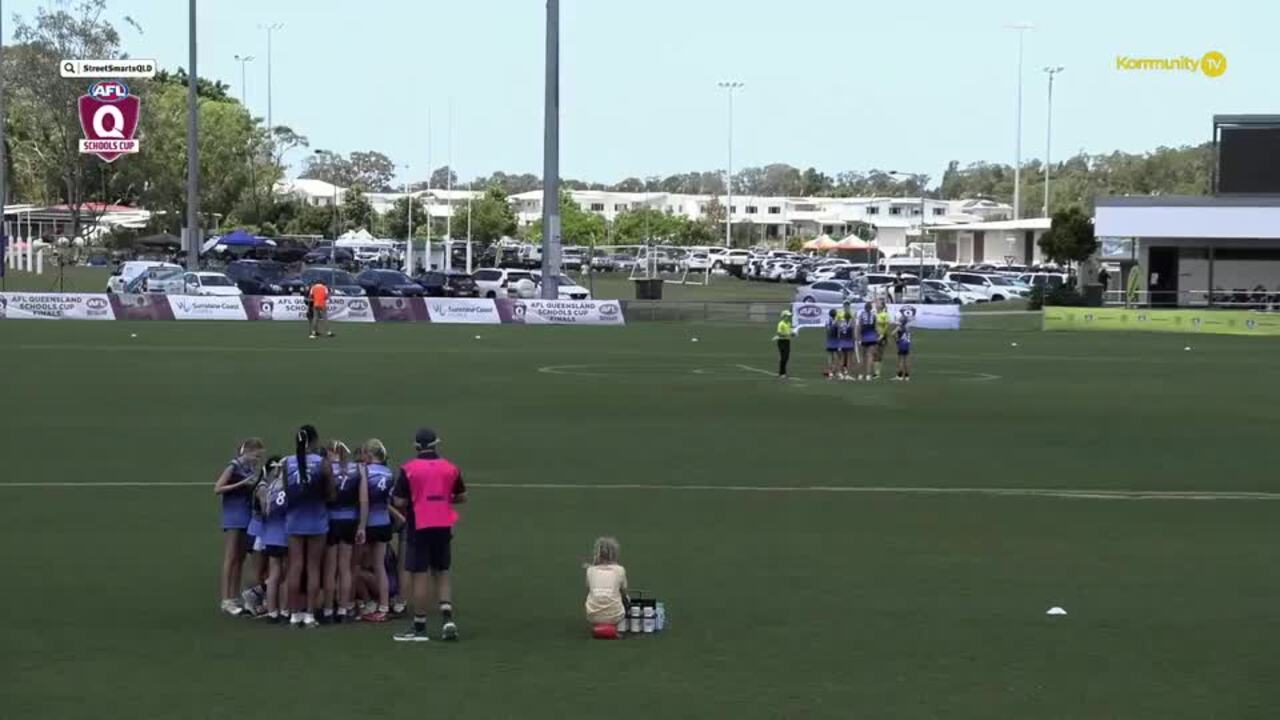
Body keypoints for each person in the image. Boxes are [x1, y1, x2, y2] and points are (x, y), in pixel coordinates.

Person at [393, 428, 466, 643]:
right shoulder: (450, 467)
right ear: (436, 444)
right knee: (442, 571)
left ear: (416, 447)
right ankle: (447, 619)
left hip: (420, 525)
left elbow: (399, 501)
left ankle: (420, 627)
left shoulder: (409, 469)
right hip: (443, 523)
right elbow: (462, 496)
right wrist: (442, 499)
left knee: (420, 575)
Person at [284, 425, 332, 629]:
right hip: (316, 520)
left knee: (295, 566)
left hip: (295, 520)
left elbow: (287, 492)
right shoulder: (322, 463)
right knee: (313, 568)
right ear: (314, 441)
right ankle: (310, 614)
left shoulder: (287, 462)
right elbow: (331, 493)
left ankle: (294, 614)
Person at [213, 438, 264, 615]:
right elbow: (218, 488)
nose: (258, 459)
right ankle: (226, 599)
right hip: (233, 516)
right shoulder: (234, 466)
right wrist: (241, 484)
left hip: (246, 515)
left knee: (240, 558)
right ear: (247, 451)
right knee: (231, 557)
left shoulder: (250, 469)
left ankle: (234, 598)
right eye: (256, 455)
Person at [322, 441, 364, 624]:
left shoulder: (325, 469)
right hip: (350, 521)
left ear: (330, 452)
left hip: (331, 521)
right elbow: (364, 500)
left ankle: (328, 609)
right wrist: (362, 526)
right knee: (345, 567)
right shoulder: (357, 469)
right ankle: (344, 608)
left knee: (330, 569)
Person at [359, 439, 395, 622]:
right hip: (384, 522)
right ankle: (384, 606)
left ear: (370, 455)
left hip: (369, 523)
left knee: (355, 565)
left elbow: (363, 500)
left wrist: (361, 526)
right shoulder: (389, 472)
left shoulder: (365, 472)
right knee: (379, 566)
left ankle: (367, 602)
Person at [256, 457, 289, 623]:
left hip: (270, 536)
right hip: (286, 535)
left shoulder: (271, 487)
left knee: (274, 574)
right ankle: (284, 610)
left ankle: (271, 612)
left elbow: (266, 511)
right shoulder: (290, 486)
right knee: (285, 575)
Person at [584, 537, 629, 639]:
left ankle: (598, 626)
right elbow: (624, 591)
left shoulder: (590, 570)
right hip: (616, 616)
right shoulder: (620, 570)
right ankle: (615, 627)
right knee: (625, 598)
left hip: (592, 616)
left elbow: (588, 588)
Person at [856, 302, 879, 380]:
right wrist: (877, 336)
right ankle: (868, 375)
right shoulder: (874, 315)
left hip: (864, 337)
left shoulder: (861, 315)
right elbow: (876, 328)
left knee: (862, 356)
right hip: (872, 337)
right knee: (870, 356)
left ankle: (861, 374)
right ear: (871, 308)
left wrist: (858, 337)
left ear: (865, 308)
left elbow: (859, 326)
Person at [836, 302, 856, 380]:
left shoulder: (842, 323)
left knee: (842, 357)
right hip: (848, 340)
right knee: (847, 358)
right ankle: (846, 373)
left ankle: (840, 373)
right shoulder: (851, 323)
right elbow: (853, 330)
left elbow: (838, 329)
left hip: (842, 340)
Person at [774, 310, 796, 379]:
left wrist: (793, 334)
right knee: (784, 357)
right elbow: (779, 333)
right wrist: (787, 334)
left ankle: (783, 373)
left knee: (786, 357)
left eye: (789, 316)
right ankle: (782, 373)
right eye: (787, 316)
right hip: (781, 342)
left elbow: (790, 332)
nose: (789, 317)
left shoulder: (788, 323)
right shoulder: (781, 324)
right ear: (784, 316)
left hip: (787, 342)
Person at [873, 298, 892, 380]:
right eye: (876, 303)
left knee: (878, 354)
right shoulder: (874, 314)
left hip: (881, 336)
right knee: (873, 354)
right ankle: (874, 372)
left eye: (878, 303)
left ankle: (877, 373)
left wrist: (882, 335)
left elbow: (887, 326)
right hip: (873, 336)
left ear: (882, 306)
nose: (876, 305)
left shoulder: (885, 315)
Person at [893, 308, 913, 382]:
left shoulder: (900, 327)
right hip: (907, 344)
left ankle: (900, 376)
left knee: (900, 360)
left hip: (901, 344)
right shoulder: (908, 328)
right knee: (906, 360)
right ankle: (907, 376)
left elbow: (892, 333)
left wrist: (897, 340)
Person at [823, 309, 840, 379]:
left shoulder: (827, 322)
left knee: (830, 356)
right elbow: (839, 332)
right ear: (835, 314)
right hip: (835, 340)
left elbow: (826, 330)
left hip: (829, 340)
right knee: (835, 355)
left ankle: (830, 371)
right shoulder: (837, 322)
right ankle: (834, 369)